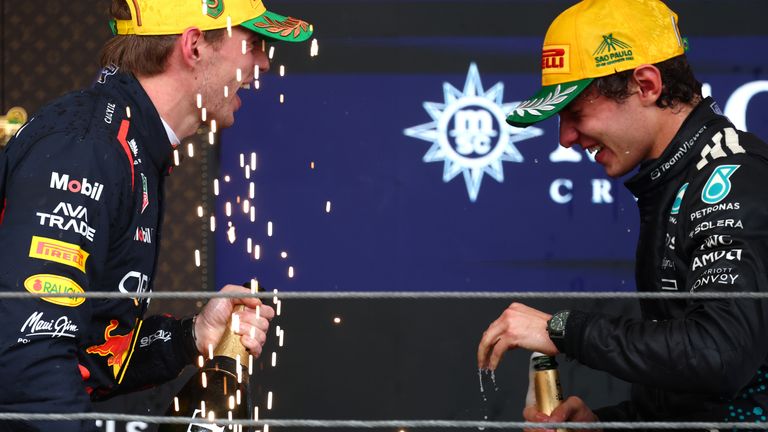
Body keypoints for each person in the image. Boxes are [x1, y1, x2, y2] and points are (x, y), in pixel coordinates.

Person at [0, 0, 313, 430]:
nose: (262, 63)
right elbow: (27, 362)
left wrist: (191, 337)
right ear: (195, 45)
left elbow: (86, 351)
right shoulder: (87, 148)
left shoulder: (132, 142)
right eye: (255, 43)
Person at [477, 0, 768, 426]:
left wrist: (562, 329)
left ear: (646, 85)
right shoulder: (678, 182)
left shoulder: (733, 178)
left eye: (575, 112)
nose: (565, 138)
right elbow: (698, 395)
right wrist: (613, 424)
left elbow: (720, 354)